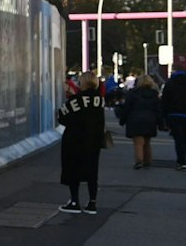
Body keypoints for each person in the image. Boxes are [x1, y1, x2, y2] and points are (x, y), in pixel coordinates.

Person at [56, 71, 105, 214]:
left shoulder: (75, 100)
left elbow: (62, 117)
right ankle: (92, 203)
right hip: (94, 140)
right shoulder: (99, 100)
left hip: (74, 139)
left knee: (73, 169)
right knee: (92, 170)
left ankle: (74, 201)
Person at [116, 74, 162, 169]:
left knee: (138, 142)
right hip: (150, 120)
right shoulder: (154, 95)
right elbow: (158, 110)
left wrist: (122, 120)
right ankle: (148, 160)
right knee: (147, 142)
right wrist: (160, 123)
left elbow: (127, 108)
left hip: (135, 120)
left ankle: (139, 161)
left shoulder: (132, 93)